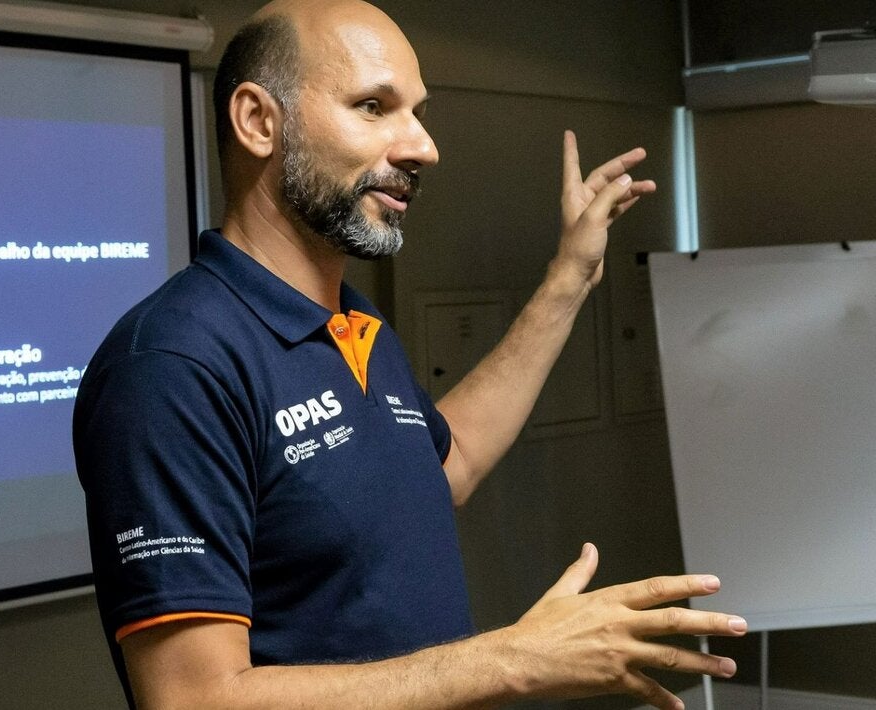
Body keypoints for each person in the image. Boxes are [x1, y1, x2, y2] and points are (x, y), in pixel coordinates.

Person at [72, 1, 747, 708]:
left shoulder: (355, 321)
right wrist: (514, 657)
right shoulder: (172, 367)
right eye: (374, 107)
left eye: (418, 114)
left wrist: (567, 282)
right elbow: (191, 699)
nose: (422, 147)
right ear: (258, 122)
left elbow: (443, 469)